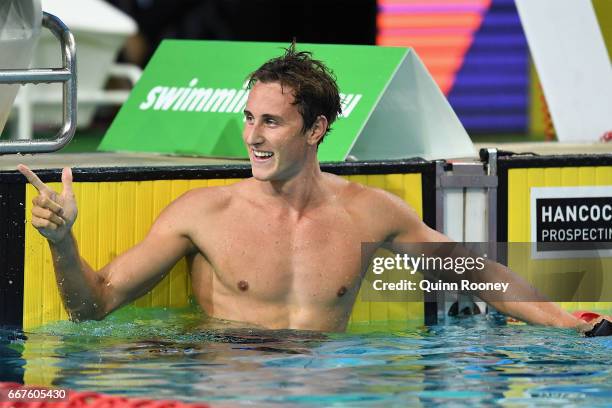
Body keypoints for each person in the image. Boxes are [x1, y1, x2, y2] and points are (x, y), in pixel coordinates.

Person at [17, 44, 605, 333]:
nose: (252, 136)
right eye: (249, 118)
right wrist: (63, 242)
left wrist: (559, 321)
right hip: (230, 383)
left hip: (329, 387)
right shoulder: (204, 213)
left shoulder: (369, 213)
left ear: (317, 129)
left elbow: (473, 272)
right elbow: (93, 308)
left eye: (270, 122)